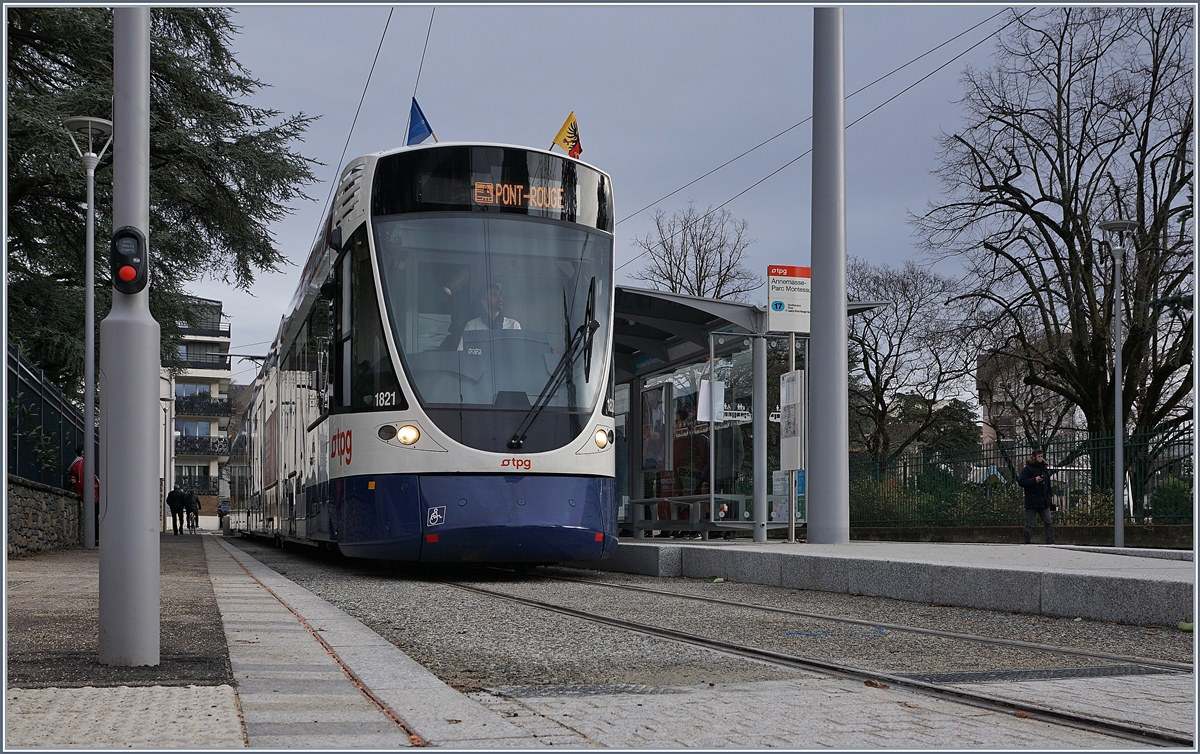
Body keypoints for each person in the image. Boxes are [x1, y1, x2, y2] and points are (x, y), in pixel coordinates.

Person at [1018, 448, 1056, 545]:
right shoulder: (1027, 469)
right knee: (1029, 523)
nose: (1040, 458)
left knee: (1048, 521)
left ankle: (1050, 540)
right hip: (1032, 500)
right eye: (1039, 456)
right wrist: (1034, 480)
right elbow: (1021, 481)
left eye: (1042, 456)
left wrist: (1049, 497)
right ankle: (1027, 541)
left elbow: (1048, 485)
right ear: (1034, 457)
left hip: (1044, 500)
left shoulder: (1044, 469)